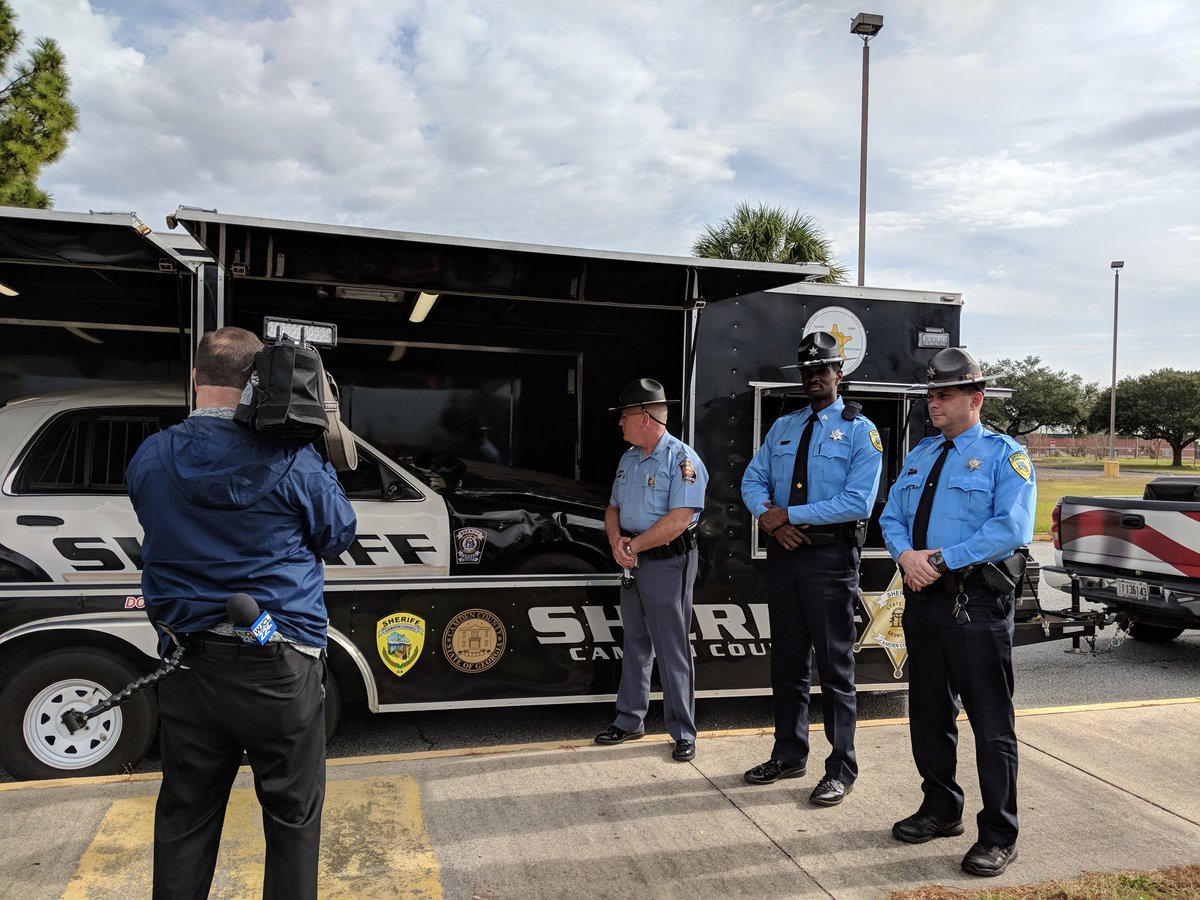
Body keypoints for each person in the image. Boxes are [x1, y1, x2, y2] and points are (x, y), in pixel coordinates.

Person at [127, 326, 357, 899]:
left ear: (195, 378)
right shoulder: (294, 458)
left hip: (187, 663)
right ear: (257, 381)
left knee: (185, 817)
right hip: (278, 661)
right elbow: (337, 535)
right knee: (292, 818)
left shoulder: (151, 455)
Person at [879, 347, 1035, 878]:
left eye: (944, 395)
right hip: (924, 600)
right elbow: (892, 516)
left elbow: (1010, 529)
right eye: (931, 395)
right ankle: (941, 809)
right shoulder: (923, 453)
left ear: (976, 398)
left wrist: (941, 560)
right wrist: (905, 556)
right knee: (928, 714)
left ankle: (999, 834)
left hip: (977, 605)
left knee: (991, 724)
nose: (934, 404)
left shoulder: (1004, 455)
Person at [740, 331, 882, 806]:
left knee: (836, 668)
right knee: (787, 663)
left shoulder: (860, 431)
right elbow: (752, 479)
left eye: (823, 369)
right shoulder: (784, 426)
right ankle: (788, 754)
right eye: (807, 370)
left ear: (839, 373)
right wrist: (770, 519)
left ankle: (841, 768)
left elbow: (858, 501)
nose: (814, 377)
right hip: (785, 555)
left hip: (830, 559)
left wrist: (790, 515)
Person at [594, 378, 708, 762]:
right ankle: (629, 720)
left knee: (672, 648)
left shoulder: (682, 460)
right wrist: (616, 541)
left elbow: (678, 520)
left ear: (644, 417)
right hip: (633, 559)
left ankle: (683, 732)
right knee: (636, 643)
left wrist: (632, 547)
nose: (619, 423)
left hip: (666, 563)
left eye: (624, 416)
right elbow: (613, 508)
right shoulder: (628, 458)